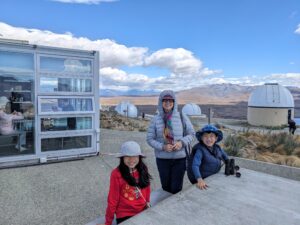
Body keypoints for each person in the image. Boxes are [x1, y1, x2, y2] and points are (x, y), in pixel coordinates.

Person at [147, 90, 195, 194]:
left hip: (179, 159)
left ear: (174, 102)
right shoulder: (155, 119)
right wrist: (162, 147)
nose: (168, 102)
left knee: (176, 188)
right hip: (163, 159)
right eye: (165, 100)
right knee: (166, 187)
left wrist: (181, 143)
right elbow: (150, 139)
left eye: (170, 100)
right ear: (161, 102)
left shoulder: (182, 116)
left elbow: (191, 134)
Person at [99, 141, 151, 225]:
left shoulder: (143, 168)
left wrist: (147, 202)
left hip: (142, 209)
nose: (131, 160)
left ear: (139, 157)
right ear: (122, 157)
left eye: (135, 156)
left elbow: (147, 187)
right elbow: (112, 199)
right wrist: (108, 222)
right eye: (127, 157)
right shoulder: (116, 174)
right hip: (125, 213)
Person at [192, 124, 229, 190]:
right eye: (205, 136)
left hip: (214, 177)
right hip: (203, 179)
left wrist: (230, 167)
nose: (208, 139)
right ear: (201, 138)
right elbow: (195, 165)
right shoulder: (200, 150)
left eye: (211, 136)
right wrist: (199, 179)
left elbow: (226, 158)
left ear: (216, 138)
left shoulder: (217, 148)